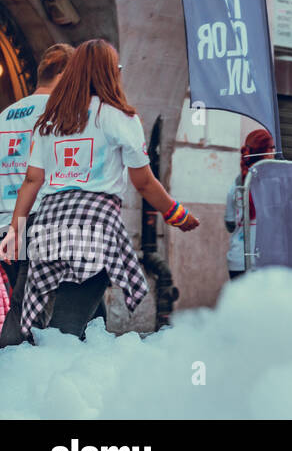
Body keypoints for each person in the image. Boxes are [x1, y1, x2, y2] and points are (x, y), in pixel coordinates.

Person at [0, 40, 198, 345]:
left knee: (27, 316)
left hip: (41, 226)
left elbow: (31, 180)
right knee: (64, 330)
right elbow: (143, 182)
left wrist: (15, 231)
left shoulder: (48, 120)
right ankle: (48, 382)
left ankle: (21, 375)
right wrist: (175, 213)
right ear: (109, 73)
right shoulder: (120, 117)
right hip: (92, 227)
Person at [0, 44, 74, 336]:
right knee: (37, 320)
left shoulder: (5, 116)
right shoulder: (60, 113)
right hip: (41, 223)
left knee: (27, 310)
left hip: (7, 223)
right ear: (63, 73)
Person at [225, 129, 274, 281]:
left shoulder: (236, 185)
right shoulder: (273, 183)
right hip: (264, 262)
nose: (274, 152)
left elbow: (230, 224)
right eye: (272, 148)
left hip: (238, 260)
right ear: (265, 153)